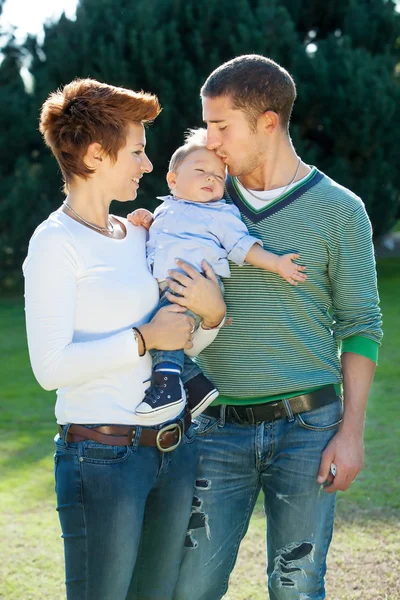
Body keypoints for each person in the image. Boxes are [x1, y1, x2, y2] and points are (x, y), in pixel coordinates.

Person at [171, 55, 383, 599]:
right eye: (208, 126)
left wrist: (351, 434)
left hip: (308, 431)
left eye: (222, 127)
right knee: (190, 587)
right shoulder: (203, 201)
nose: (210, 142)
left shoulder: (341, 209)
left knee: (297, 587)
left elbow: (361, 324)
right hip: (213, 428)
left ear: (267, 122)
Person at [22, 78, 225, 600]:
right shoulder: (54, 243)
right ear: (95, 154)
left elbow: (175, 341)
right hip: (101, 462)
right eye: (137, 151)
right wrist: (141, 337)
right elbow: (50, 368)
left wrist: (213, 317)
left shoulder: (141, 233)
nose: (148, 164)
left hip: (173, 450)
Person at [128, 128, 307, 423]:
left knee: (167, 326)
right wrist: (145, 219)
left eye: (218, 175)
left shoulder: (220, 215)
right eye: (201, 171)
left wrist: (276, 263)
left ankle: (168, 386)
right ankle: (197, 387)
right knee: (161, 331)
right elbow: (161, 238)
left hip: (195, 287)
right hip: (167, 288)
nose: (212, 178)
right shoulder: (165, 209)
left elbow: (243, 246)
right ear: (173, 180)